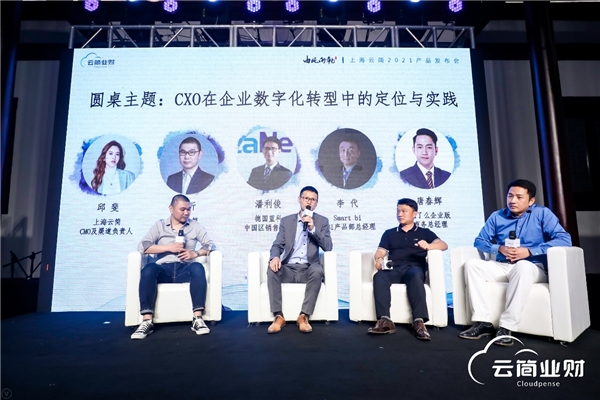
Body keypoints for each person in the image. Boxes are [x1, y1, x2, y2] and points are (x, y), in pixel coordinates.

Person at [458, 179, 572, 346]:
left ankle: (506, 326)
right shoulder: (497, 216)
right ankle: (483, 322)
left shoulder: (542, 214)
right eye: (510, 196)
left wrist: (530, 251)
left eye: (519, 197)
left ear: (531, 201)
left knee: (522, 266)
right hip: (503, 266)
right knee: (471, 265)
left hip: (533, 267)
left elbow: (564, 239)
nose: (512, 200)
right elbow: (479, 241)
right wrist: (499, 248)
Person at [131, 194, 216, 339]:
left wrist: (194, 253)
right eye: (182, 209)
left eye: (188, 209)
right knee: (149, 269)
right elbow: (143, 246)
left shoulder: (195, 226)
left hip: (185, 268)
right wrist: (169, 248)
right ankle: (147, 321)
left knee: (197, 267)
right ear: (171, 209)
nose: (186, 213)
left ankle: (197, 318)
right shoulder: (160, 225)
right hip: (164, 269)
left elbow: (210, 245)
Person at [368, 198, 448, 340]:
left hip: (414, 268)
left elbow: (443, 245)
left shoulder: (424, 232)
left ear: (414, 213)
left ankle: (419, 321)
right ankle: (385, 320)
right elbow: (380, 251)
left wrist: (429, 246)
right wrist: (379, 259)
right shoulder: (389, 233)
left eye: (404, 211)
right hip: (394, 268)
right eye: (398, 211)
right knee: (379, 276)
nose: (400, 214)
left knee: (416, 276)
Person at [266, 186, 333, 334]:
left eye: (313, 200)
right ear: (299, 200)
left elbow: (328, 246)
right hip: (289, 269)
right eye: (306, 198)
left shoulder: (322, 221)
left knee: (317, 269)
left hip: (308, 269)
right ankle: (278, 316)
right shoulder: (286, 221)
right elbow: (277, 245)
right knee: (272, 269)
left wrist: (313, 229)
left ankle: (303, 316)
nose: (309, 202)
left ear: (316, 203)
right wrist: (275, 257)